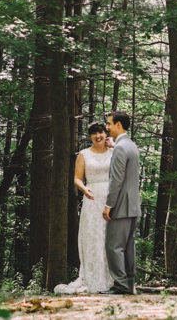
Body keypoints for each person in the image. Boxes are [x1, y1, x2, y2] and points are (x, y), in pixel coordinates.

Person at [53, 122, 115, 294]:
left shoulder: (113, 152)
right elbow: (77, 178)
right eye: (94, 133)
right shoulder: (84, 154)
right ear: (90, 136)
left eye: (101, 132)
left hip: (110, 198)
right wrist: (84, 188)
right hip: (92, 197)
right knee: (94, 237)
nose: (98, 136)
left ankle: (112, 279)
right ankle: (94, 279)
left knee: (109, 238)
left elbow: (128, 160)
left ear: (105, 134)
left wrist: (115, 145)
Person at [102, 111, 140, 295]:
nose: (106, 127)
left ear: (118, 125)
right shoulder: (131, 145)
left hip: (121, 205)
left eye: (109, 124)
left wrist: (109, 204)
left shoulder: (120, 148)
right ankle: (129, 284)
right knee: (128, 247)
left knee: (114, 246)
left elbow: (116, 179)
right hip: (133, 204)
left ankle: (120, 285)